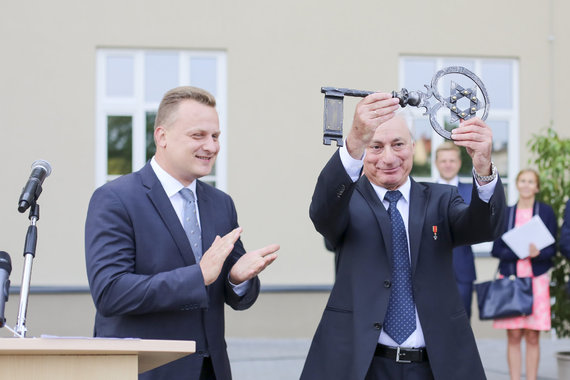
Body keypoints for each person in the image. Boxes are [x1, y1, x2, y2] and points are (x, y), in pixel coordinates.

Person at [301, 92, 506, 380]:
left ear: (412, 146)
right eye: (375, 146)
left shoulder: (441, 199)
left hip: (434, 365)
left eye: (398, 144)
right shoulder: (347, 201)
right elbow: (322, 213)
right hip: (363, 365)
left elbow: (485, 227)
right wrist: (354, 142)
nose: (388, 158)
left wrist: (484, 170)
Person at [85, 86, 279, 380]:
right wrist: (197, 276)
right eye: (198, 135)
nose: (211, 146)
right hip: (146, 371)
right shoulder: (115, 199)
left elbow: (236, 295)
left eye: (215, 136)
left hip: (210, 370)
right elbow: (111, 293)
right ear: (161, 136)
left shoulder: (220, 203)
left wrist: (237, 279)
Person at [491, 169, 557, 380]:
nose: (527, 185)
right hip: (511, 281)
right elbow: (496, 250)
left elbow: (552, 250)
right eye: (523, 181)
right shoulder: (507, 213)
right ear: (517, 184)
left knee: (532, 336)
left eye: (531, 182)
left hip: (536, 281)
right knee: (514, 335)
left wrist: (537, 254)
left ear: (537, 187)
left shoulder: (545, 212)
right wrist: (517, 251)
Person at [434, 142, 477, 320]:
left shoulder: (472, 192)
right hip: (431, 269)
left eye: (452, 160)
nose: (448, 164)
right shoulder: (424, 192)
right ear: (436, 164)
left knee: (462, 322)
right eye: (443, 161)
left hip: (462, 269)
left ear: (459, 163)